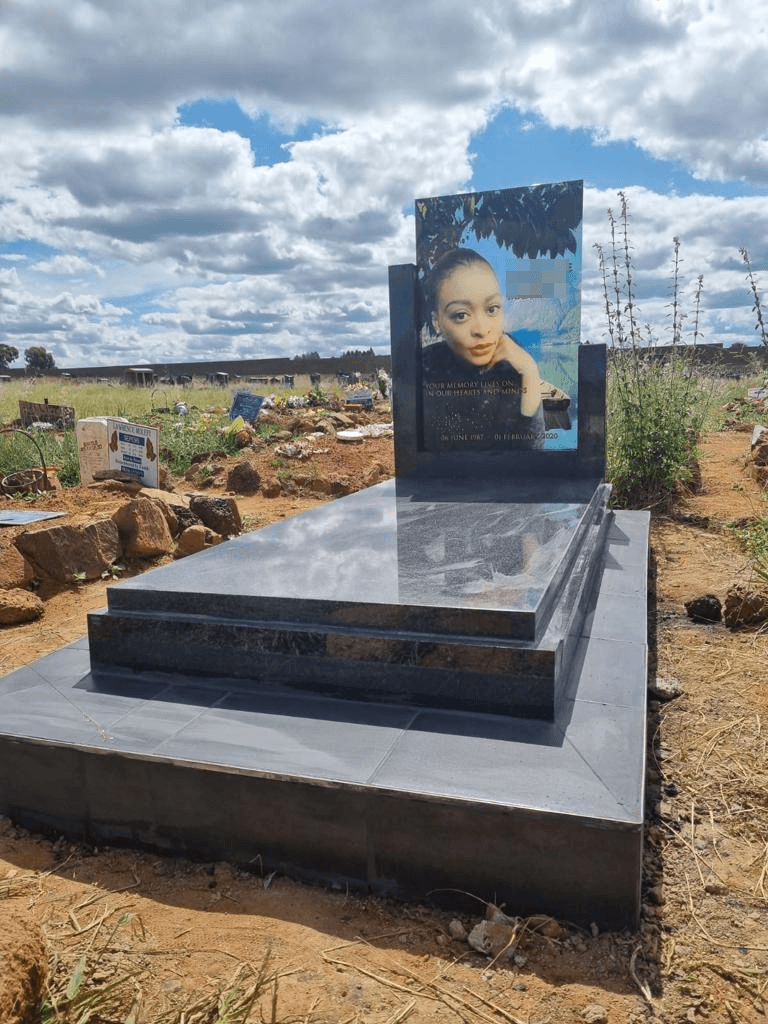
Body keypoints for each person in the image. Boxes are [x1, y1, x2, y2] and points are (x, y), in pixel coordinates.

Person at [421, 248, 545, 450]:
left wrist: (530, 371)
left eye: (492, 309)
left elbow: (532, 454)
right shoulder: (424, 367)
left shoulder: (514, 360)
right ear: (437, 322)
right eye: (461, 315)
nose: (482, 330)